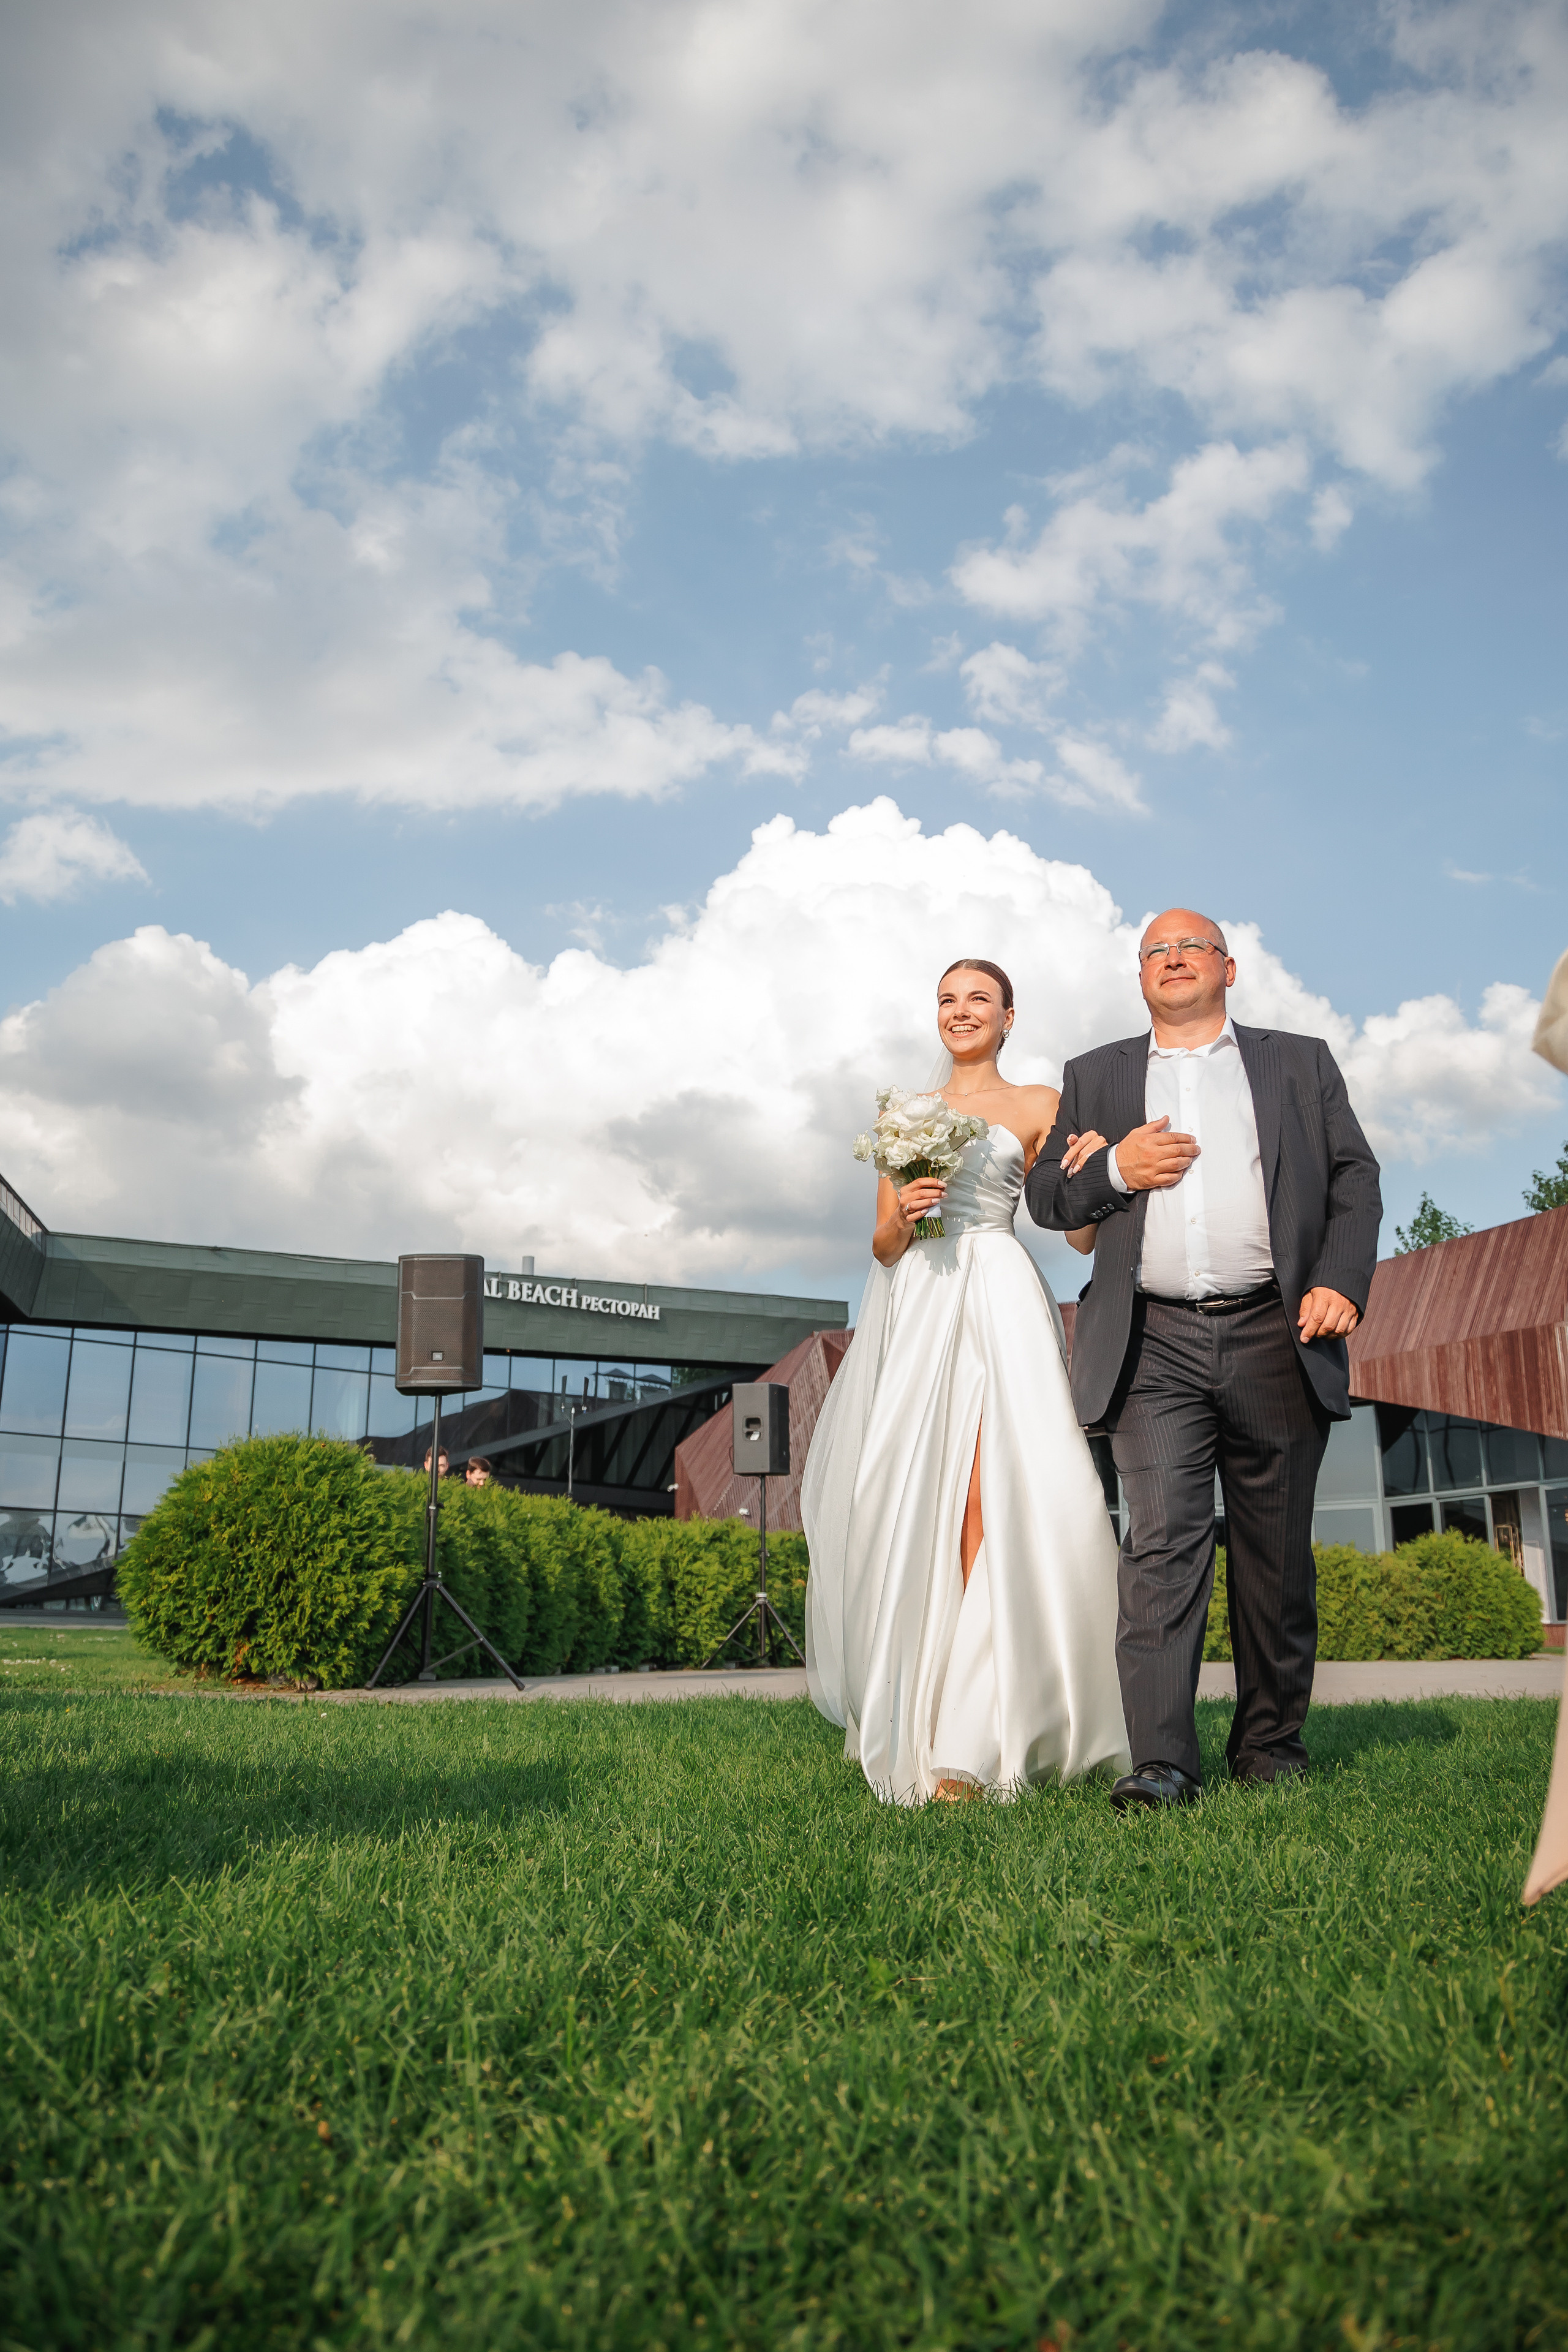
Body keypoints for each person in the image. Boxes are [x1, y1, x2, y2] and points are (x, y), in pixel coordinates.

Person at [1026, 911, 1381, 1811]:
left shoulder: (1299, 1061)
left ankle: (1269, 1747)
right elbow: (1048, 1197)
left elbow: (1354, 1178)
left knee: (1274, 1556)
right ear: (1139, 975)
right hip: (1150, 1343)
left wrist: (1340, 1280)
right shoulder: (1096, 1075)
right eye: (1156, 949)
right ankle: (1162, 1764)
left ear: (1229, 967)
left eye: (1192, 946)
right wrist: (1116, 1169)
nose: (1173, 956)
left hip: (1278, 1332)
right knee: (1160, 1546)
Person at [802, 959, 1131, 1805]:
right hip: (920, 1300)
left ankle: (978, 1733)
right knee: (916, 1502)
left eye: (978, 998)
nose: (960, 1011)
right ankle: (923, 1703)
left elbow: (1078, 1236)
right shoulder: (904, 1113)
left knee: (997, 1494)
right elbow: (882, 1244)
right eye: (947, 999)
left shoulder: (1043, 1105)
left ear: (1008, 1017)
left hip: (998, 1292)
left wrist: (1094, 1169)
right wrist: (907, 1215)